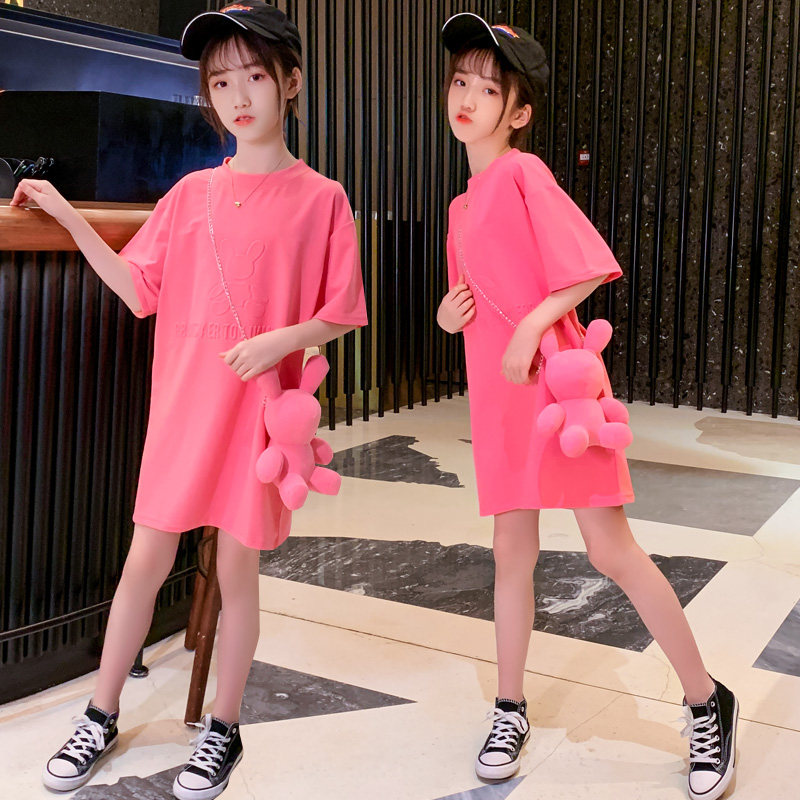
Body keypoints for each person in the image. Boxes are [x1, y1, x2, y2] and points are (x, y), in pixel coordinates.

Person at [12, 3, 367, 798]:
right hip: (181, 411)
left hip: (254, 419)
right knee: (144, 561)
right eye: (221, 81)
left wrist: (278, 342)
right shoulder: (190, 193)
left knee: (237, 571)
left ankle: (224, 727)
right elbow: (137, 289)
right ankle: (100, 713)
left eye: (254, 76)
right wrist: (67, 213)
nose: (237, 95)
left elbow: (342, 310)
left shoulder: (322, 198)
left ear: (291, 82)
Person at [435, 13, 737, 800]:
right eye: (461, 81)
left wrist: (533, 323)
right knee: (511, 553)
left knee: (611, 549)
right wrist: (448, 315)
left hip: (561, 389)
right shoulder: (461, 207)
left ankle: (707, 701)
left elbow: (589, 266)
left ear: (519, 112)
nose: (468, 97)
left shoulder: (524, 173)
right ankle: (509, 708)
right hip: (502, 399)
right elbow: (472, 293)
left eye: (489, 89)